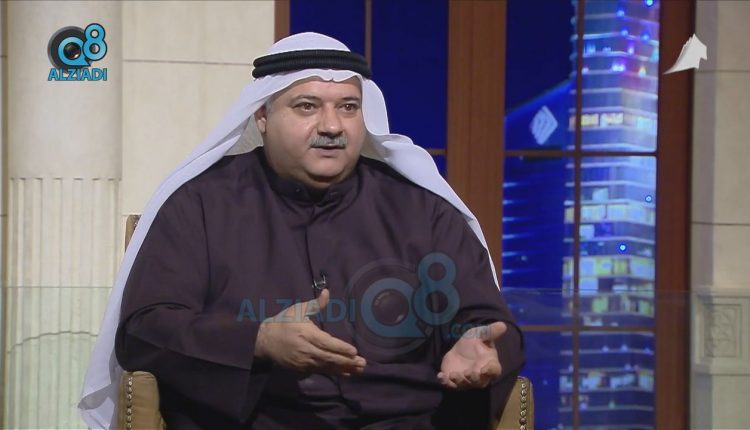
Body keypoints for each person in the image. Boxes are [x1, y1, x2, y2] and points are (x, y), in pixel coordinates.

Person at [79, 32, 524, 430]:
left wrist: (480, 347)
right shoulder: (200, 205)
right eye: (307, 106)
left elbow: (490, 325)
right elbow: (145, 330)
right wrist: (258, 341)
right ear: (262, 116)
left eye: (348, 107)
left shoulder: (423, 210)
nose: (331, 126)